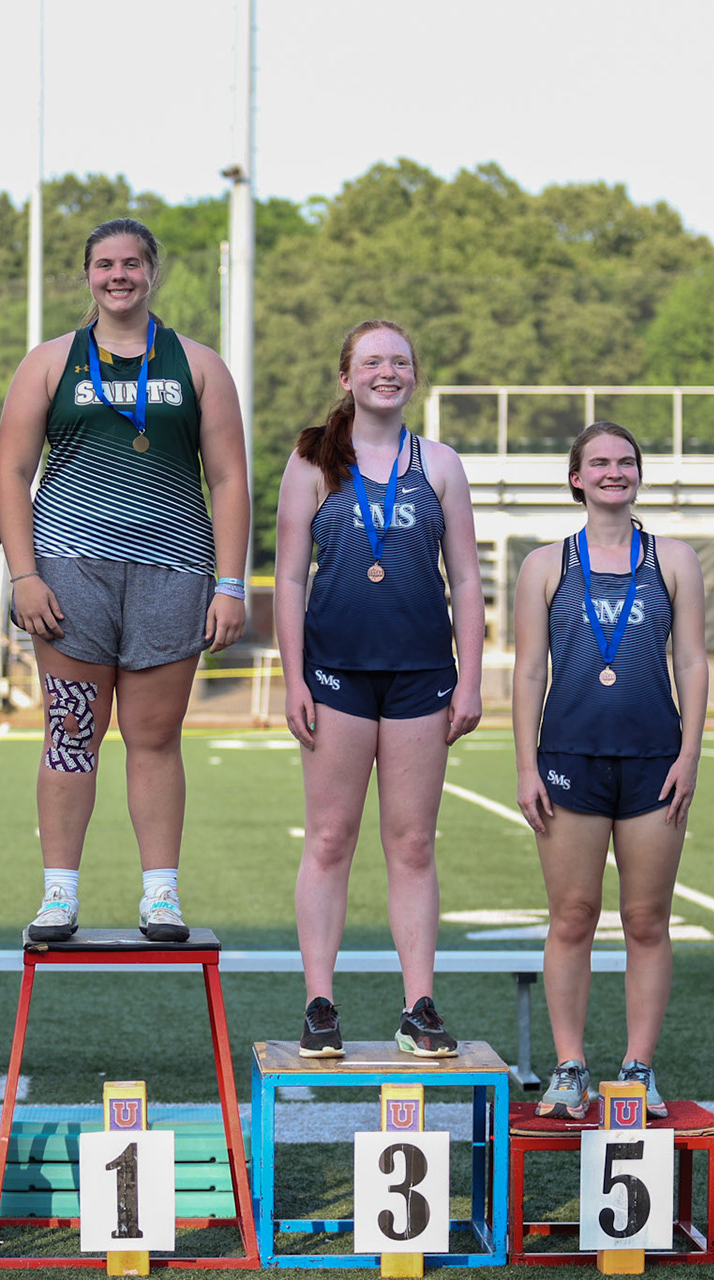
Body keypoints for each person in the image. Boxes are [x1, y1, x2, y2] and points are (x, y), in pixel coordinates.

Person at [0, 218, 250, 943]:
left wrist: (230, 586)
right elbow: (10, 472)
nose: (119, 275)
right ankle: (59, 895)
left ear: (153, 272)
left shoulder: (199, 364)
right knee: (71, 730)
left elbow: (230, 479)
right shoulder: (50, 362)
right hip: (70, 569)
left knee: (154, 736)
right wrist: (23, 574)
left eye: (132, 263)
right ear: (87, 276)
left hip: (175, 570)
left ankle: (160, 895)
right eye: (105, 264)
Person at [273, 320, 485, 1058]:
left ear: (413, 376)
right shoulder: (310, 463)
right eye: (372, 362)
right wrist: (294, 677)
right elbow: (292, 578)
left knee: (413, 843)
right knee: (330, 838)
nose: (386, 372)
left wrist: (471, 678)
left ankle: (418, 1005)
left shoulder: (442, 464)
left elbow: (464, 578)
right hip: (335, 677)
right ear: (346, 377)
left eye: (399, 361)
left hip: (422, 676)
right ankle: (320, 1003)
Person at [511, 422, 707, 1119]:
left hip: (655, 763)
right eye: (600, 462)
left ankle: (638, 1068)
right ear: (576, 478)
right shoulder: (544, 564)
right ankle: (569, 1067)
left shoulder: (674, 558)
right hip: (569, 762)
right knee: (571, 917)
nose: (614, 472)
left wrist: (690, 754)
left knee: (647, 920)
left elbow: (691, 661)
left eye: (626, 461)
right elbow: (530, 669)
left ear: (639, 475)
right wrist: (526, 763)